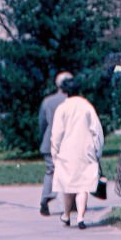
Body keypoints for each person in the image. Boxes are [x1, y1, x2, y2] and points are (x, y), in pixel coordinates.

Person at [49, 75, 105, 230]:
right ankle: (80, 217)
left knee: (68, 185)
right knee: (83, 185)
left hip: (67, 151)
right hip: (85, 150)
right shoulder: (87, 106)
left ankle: (67, 215)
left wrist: (54, 151)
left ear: (65, 91)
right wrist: (97, 150)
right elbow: (97, 130)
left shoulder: (62, 108)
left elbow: (56, 133)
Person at [37, 71, 71, 216]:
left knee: (51, 171)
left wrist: (43, 137)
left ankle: (45, 199)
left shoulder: (48, 101)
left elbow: (42, 123)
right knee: (72, 171)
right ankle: (73, 201)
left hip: (49, 141)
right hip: (68, 141)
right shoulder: (74, 101)